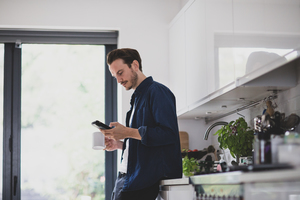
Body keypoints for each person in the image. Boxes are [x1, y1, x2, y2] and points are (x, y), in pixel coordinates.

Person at [99, 48, 182, 200]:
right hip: (129, 177)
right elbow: (145, 143)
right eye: (114, 76)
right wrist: (119, 144)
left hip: (143, 180)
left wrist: (127, 132)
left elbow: (168, 134)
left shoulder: (158, 92)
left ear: (135, 65)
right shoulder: (137, 97)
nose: (118, 80)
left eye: (120, 72)